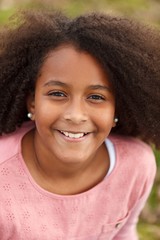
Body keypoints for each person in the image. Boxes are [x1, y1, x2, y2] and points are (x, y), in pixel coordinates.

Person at [0, 9, 159, 240]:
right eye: (57, 93)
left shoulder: (136, 164)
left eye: (96, 97)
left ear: (117, 108)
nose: (75, 115)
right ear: (32, 102)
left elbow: (124, 231)